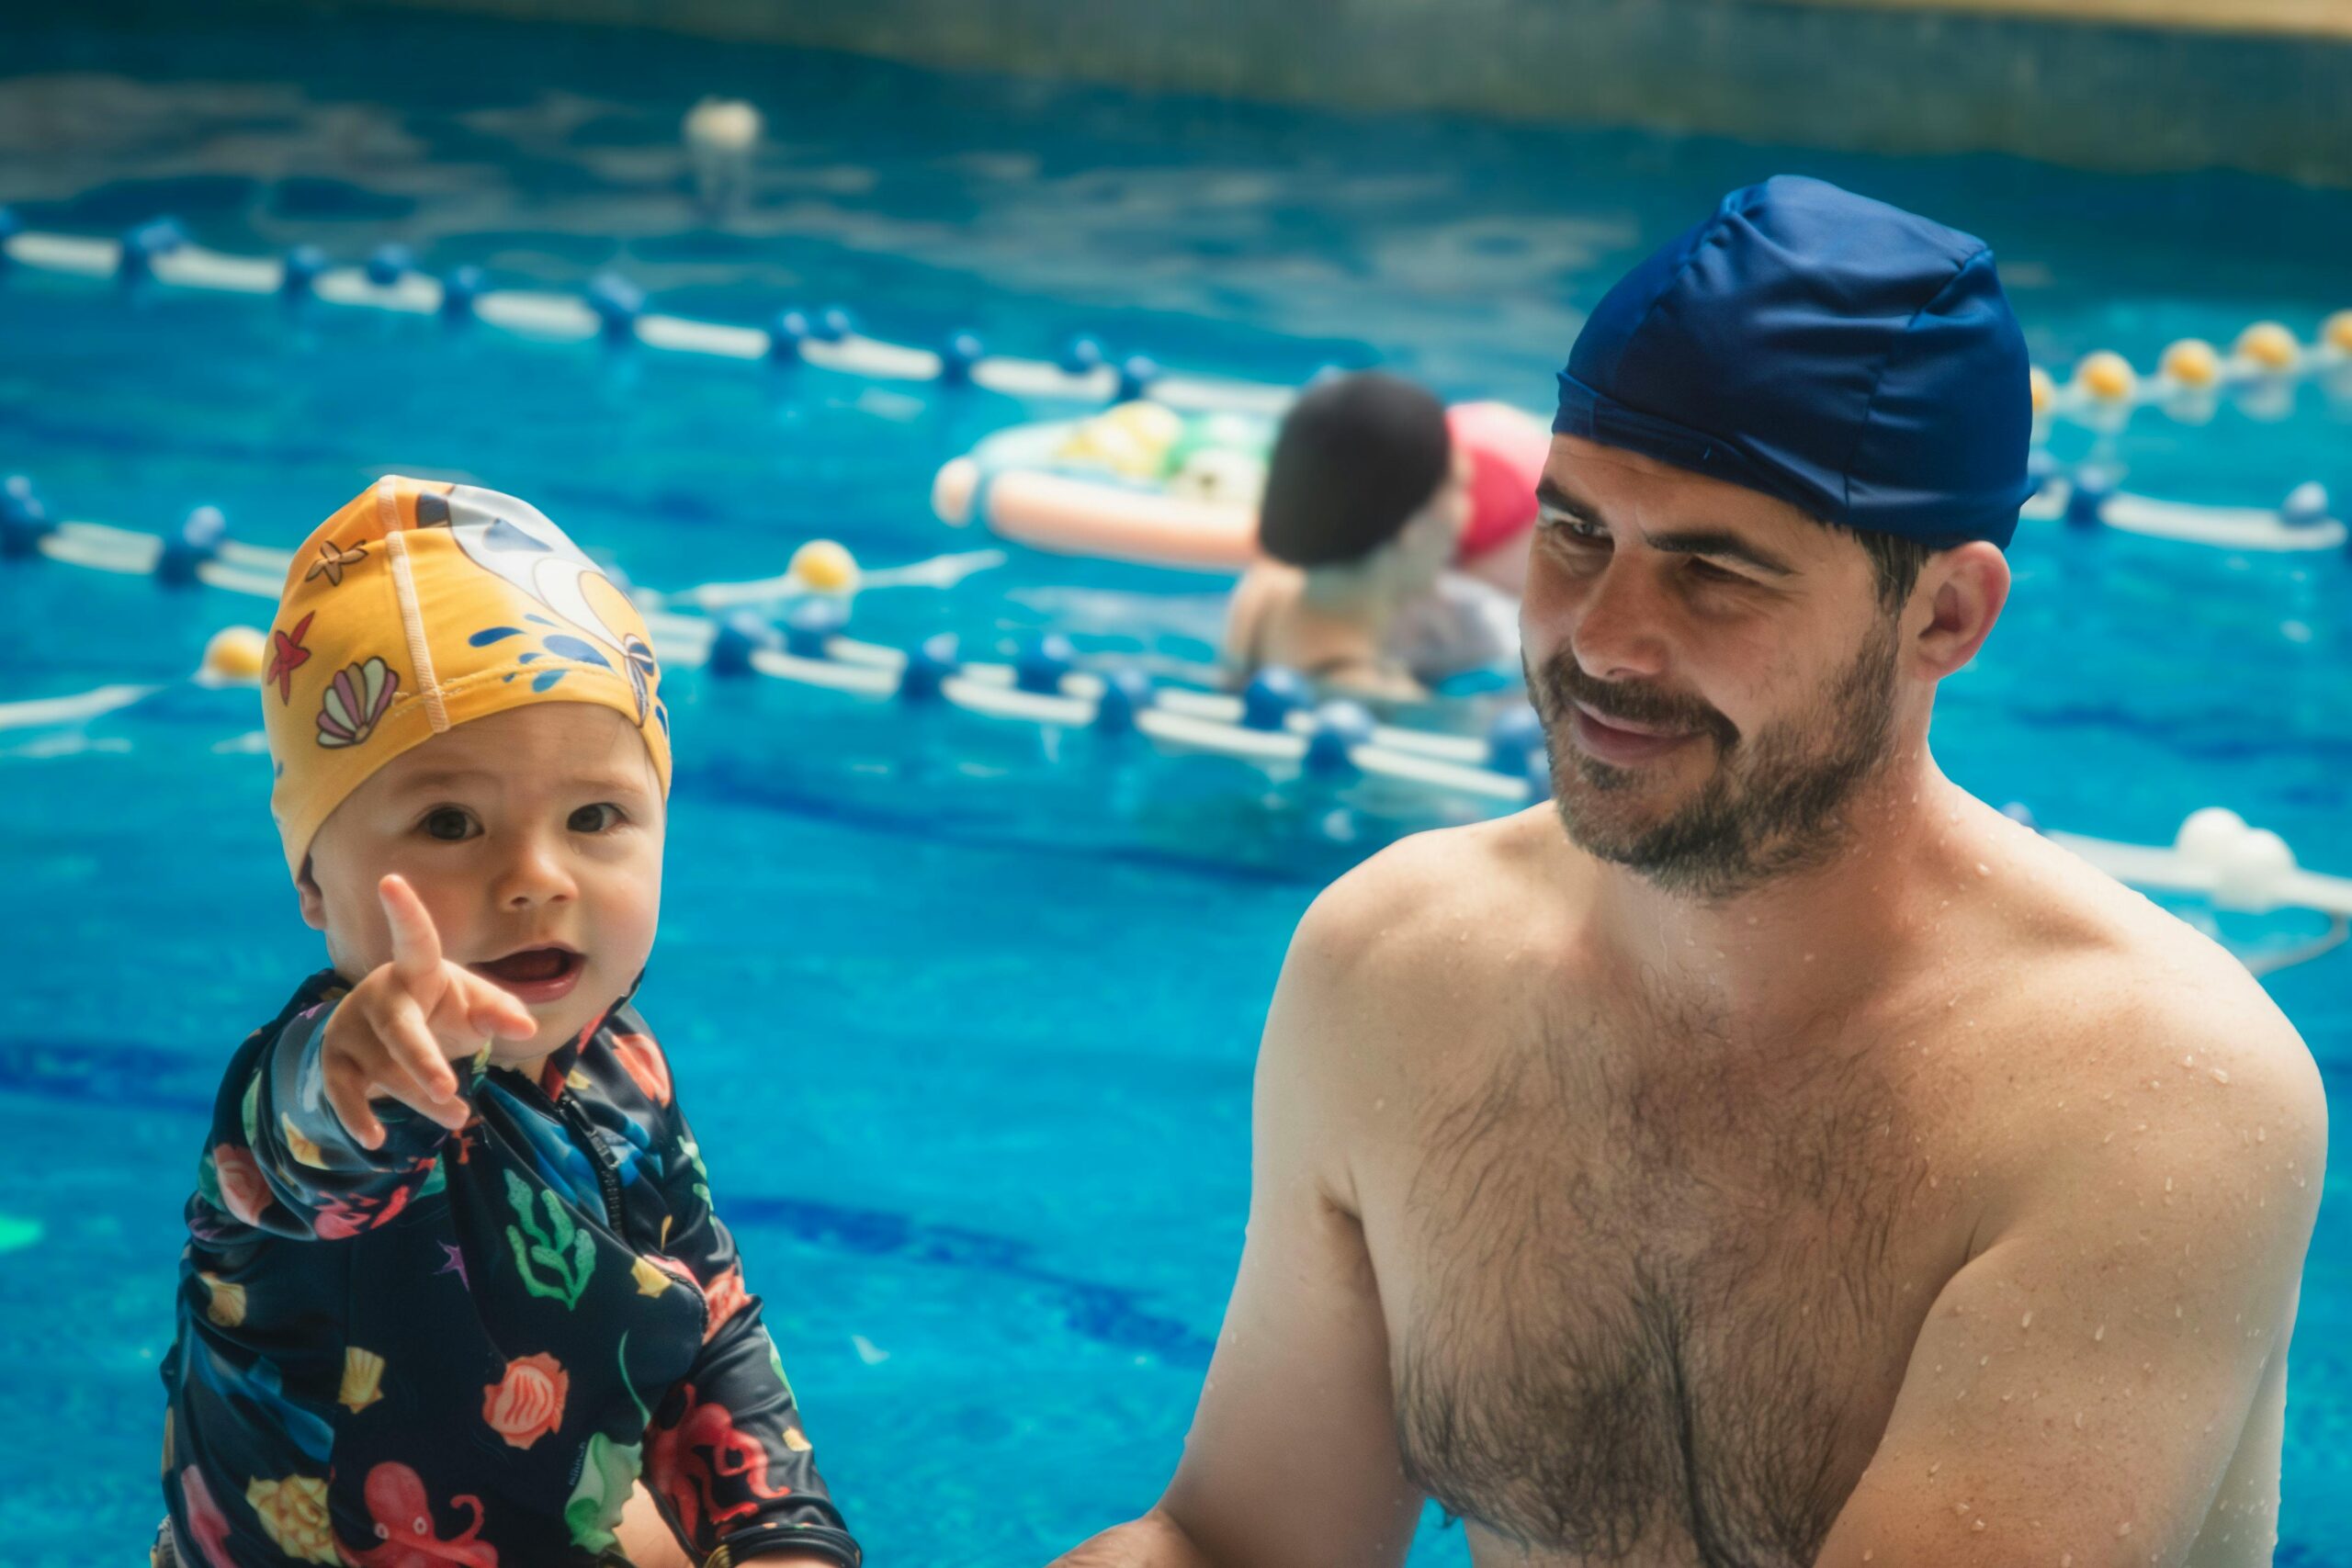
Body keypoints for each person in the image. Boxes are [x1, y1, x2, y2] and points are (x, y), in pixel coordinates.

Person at [1056, 176, 2325, 1568]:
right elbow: (1239, 1545)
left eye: (1716, 571)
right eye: (1575, 533)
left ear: (1947, 614)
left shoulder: (2138, 1089)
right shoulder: (1396, 966)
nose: (1603, 640)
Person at [159, 479, 858, 1568]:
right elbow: (313, 1157)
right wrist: (366, 1065)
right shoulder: (307, 1087)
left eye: (594, 816)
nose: (535, 877)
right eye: (448, 822)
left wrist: (781, 1535)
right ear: (312, 881)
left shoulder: (623, 1070)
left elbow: (708, 1324)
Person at [1222, 374, 1543, 699]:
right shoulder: (1383, 696)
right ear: (1410, 527)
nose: (1469, 514)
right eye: (1460, 489)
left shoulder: (1261, 592)